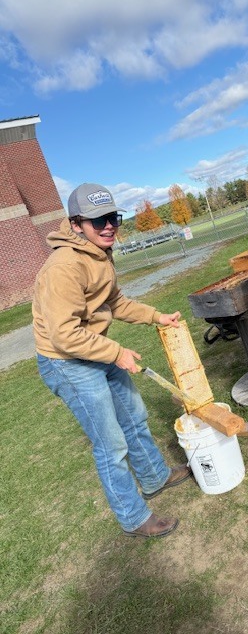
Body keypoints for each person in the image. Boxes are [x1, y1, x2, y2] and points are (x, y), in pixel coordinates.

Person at [32, 183, 192, 538]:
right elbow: (63, 335)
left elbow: (115, 302)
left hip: (92, 347)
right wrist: (116, 352)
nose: (109, 226)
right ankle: (133, 518)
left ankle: (154, 477)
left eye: (113, 218)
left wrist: (156, 316)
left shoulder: (99, 253)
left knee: (135, 417)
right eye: (98, 220)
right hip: (66, 362)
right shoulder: (64, 267)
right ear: (76, 224)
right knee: (111, 443)